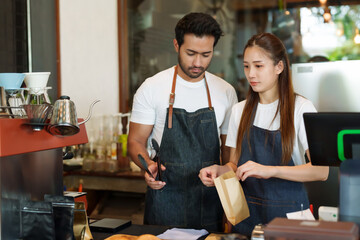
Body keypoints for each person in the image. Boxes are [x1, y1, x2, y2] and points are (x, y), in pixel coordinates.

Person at [199, 33, 329, 236]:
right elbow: (234, 166)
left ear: (279, 67)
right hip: (248, 215)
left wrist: (271, 170)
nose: (251, 74)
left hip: (290, 216)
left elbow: (321, 172)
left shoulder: (301, 108)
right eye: (246, 66)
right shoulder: (239, 111)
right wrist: (219, 170)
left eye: (259, 66)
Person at [127, 12, 238, 231]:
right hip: (165, 199)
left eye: (206, 54)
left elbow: (229, 154)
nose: (198, 62)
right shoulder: (152, 87)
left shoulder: (225, 92)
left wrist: (227, 184)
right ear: (176, 45)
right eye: (191, 53)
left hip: (209, 200)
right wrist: (148, 166)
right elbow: (135, 142)